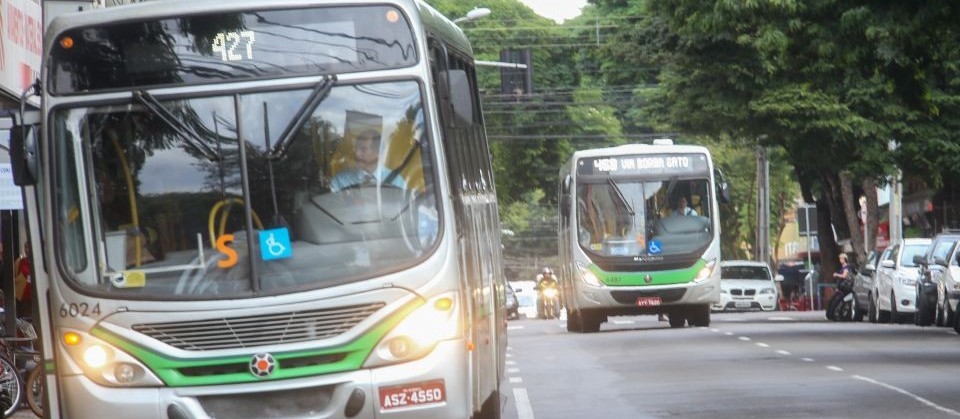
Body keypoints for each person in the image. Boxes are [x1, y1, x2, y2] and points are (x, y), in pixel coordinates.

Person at [330, 129, 406, 192]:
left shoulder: (397, 182)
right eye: (356, 148)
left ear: (378, 153)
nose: (357, 153)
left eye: (363, 149)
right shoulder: (340, 181)